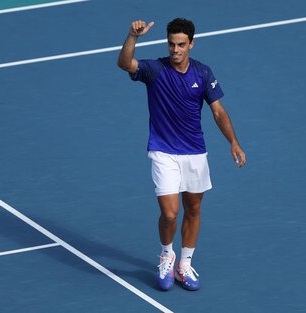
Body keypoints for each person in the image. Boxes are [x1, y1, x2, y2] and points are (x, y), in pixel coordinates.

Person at [117, 18, 246, 291]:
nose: (175, 50)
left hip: (195, 153)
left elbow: (218, 112)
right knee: (170, 214)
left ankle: (184, 264)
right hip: (163, 151)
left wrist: (233, 142)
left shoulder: (203, 73)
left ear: (191, 44)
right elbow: (125, 63)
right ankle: (166, 254)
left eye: (181, 45)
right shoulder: (155, 69)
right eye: (171, 44)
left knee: (194, 208)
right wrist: (132, 36)